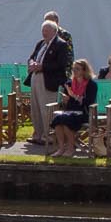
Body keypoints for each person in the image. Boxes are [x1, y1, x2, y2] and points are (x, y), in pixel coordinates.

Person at [25, 17, 72, 147]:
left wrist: (42, 67)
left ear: (54, 31)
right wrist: (32, 63)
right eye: (43, 30)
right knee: (35, 108)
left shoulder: (61, 44)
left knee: (47, 109)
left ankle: (48, 136)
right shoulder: (40, 43)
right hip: (35, 77)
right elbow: (31, 57)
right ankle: (37, 134)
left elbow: (61, 65)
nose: (44, 33)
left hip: (49, 80)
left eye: (46, 30)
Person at [45, 58, 98, 159]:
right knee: (58, 120)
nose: (74, 71)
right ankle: (61, 148)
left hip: (84, 112)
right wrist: (66, 99)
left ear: (84, 70)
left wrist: (74, 96)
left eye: (77, 69)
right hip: (69, 111)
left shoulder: (91, 85)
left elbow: (89, 102)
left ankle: (70, 148)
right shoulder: (69, 84)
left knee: (66, 122)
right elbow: (65, 103)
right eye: (73, 69)